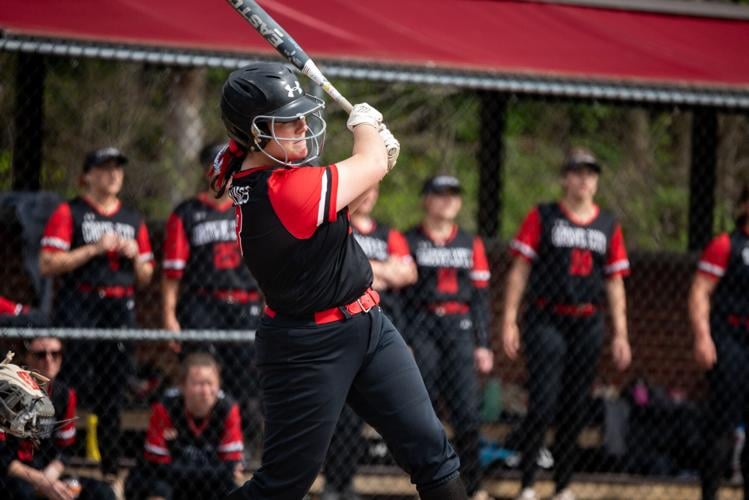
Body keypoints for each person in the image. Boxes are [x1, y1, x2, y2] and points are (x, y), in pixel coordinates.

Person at [211, 62, 466, 500]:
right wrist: (367, 123)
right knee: (283, 484)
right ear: (253, 136)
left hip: (369, 325)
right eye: (284, 122)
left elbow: (368, 168)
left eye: (298, 117)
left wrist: (375, 151)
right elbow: (370, 163)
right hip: (307, 344)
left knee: (431, 449)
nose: (299, 128)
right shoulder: (283, 193)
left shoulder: (249, 163)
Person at [501, 147, 631, 500]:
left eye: (590, 173)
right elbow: (520, 269)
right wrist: (509, 319)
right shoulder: (543, 216)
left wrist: (621, 333)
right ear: (565, 178)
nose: (583, 179)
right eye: (576, 172)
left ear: (596, 181)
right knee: (542, 403)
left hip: (587, 321)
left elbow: (615, 282)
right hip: (546, 318)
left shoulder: (608, 224)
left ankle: (563, 486)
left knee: (575, 406)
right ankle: (528, 484)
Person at [39, 147, 155, 479]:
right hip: (80, 303)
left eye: (118, 169)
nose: (113, 175)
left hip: (119, 307)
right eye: (104, 169)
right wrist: (94, 249)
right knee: (69, 383)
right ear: (87, 176)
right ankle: (59, 459)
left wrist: (135, 257)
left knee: (113, 388)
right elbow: (48, 263)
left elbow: (147, 275)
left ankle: (109, 466)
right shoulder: (70, 212)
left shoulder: (132, 218)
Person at [321, 185, 418, 500]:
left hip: (381, 322)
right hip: (342, 324)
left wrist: (362, 271)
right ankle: (333, 485)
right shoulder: (338, 228)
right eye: (364, 189)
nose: (370, 195)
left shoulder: (389, 234)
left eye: (375, 190)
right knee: (341, 412)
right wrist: (383, 270)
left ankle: (347, 484)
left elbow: (409, 273)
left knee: (372, 411)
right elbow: (333, 269)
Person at [403, 175, 494, 500]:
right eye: (440, 194)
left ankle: (473, 486)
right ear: (426, 199)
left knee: (467, 412)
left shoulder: (471, 243)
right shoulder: (410, 240)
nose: (447, 201)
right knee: (424, 412)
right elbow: (400, 297)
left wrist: (484, 344)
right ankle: (427, 486)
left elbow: (481, 298)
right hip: (423, 325)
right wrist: (404, 341)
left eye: (453, 195)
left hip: (460, 328)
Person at [162, 143, 262, 425]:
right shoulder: (187, 213)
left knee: (247, 377)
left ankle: (240, 442)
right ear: (211, 170)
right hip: (201, 303)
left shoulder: (250, 207)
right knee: (200, 372)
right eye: (223, 165)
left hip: (244, 302)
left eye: (235, 165)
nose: (230, 172)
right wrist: (169, 316)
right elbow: (172, 274)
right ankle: (204, 433)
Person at [0, 337, 115, 500]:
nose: (49, 360)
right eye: (41, 355)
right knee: (24, 493)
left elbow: (65, 450)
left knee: (101, 492)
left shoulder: (65, 395)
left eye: (55, 354)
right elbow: (3, 459)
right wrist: (42, 482)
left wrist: (51, 475)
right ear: (27, 357)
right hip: (13, 476)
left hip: (48, 474)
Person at [689, 185, 749, 500]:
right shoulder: (727, 245)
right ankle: (710, 493)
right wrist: (703, 337)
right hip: (730, 338)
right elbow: (700, 291)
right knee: (723, 422)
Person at [125, 352, 244, 500]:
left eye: (210, 383)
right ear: (182, 386)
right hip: (171, 484)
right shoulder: (165, 407)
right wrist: (217, 470)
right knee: (156, 490)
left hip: (211, 485)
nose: (206, 391)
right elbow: (156, 467)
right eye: (198, 384)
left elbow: (230, 467)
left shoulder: (228, 409)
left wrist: (176, 463)